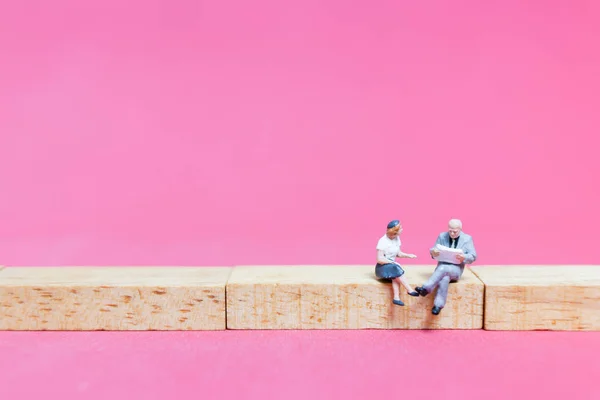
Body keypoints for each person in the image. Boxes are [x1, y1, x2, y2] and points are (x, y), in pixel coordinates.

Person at [415, 218, 477, 315]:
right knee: (444, 278)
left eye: (455, 232)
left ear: (460, 229)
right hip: (442, 269)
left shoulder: (467, 239)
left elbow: (473, 256)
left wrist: (464, 257)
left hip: (456, 269)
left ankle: (426, 288)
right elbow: (434, 249)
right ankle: (438, 306)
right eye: (450, 231)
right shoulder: (442, 236)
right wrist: (434, 252)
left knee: (444, 269)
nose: (452, 234)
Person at [375, 220, 419, 306]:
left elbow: (398, 253)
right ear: (395, 231)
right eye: (400, 228)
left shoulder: (396, 239)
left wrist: (408, 255)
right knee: (396, 268)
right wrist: (392, 263)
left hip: (391, 267)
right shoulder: (383, 241)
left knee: (395, 276)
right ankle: (409, 290)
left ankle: (396, 298)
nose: (402, 229)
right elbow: (379, 259)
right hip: (382, 267)